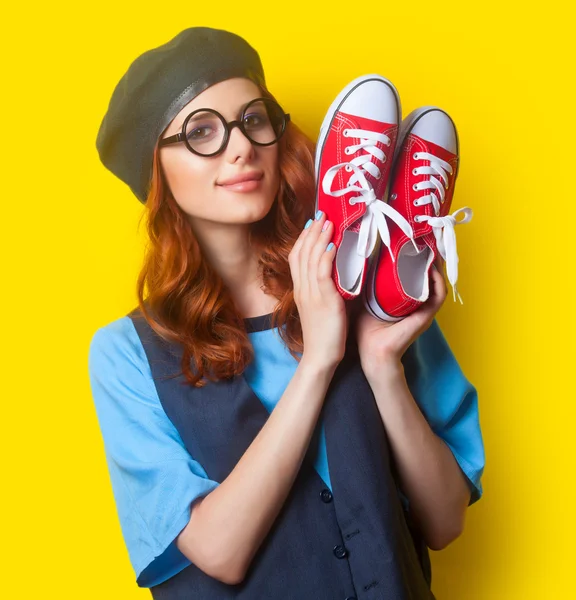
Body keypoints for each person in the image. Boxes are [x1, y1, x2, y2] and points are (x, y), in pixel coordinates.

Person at [88, 26, 485, 599]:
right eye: (202, 131)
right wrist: (322, 358)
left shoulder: (368, 274)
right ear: (158, 175)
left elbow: (445, 523)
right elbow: (219, 552)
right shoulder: (127, 354)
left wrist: (380, 365)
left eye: (254, 119)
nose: (242, 146)